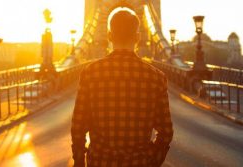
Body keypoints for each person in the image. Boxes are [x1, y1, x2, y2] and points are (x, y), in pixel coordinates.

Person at [71, 10, 173, 167]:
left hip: (99, 162)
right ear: (138, 37)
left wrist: (79, 161)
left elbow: (78, 127)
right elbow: (166, 132)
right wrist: (152, 162)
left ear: (110, 36)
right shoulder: (157, 77)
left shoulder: (90, 73)